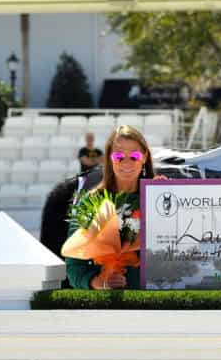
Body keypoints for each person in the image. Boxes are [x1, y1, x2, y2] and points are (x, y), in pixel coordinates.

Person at [65, 125, 155, 291]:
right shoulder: (91, 202)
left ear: (144, 157)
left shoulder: (160, 197)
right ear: (109, 158)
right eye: (119, 156)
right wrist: (95, 281)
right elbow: (74, 265)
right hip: (109, 306)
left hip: (158, 301)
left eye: (134, 156)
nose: (126, 162)